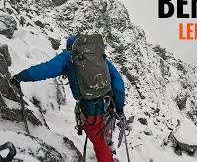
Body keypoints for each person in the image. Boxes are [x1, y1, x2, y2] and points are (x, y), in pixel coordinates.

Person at [10, 34, 125, 162]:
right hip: (108, 104)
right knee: (102, 128)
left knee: (98, 142)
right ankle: (108, 145)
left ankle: (107, 156)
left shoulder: (68, 57)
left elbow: (45, 69)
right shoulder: (99, 58)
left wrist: (21, 76)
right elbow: (118, 83)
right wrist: (120, 108)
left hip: (90, 109)